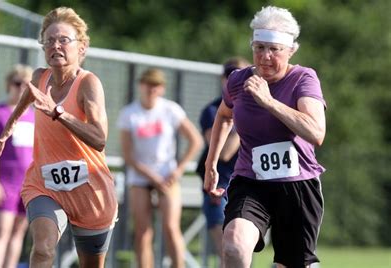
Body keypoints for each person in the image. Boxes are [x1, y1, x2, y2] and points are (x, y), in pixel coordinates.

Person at [0, 7, 118, 268]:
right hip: (45, 184)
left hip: (89, 188)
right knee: (42, 249)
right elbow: (29, 92)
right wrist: (10, 125)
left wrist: (58, 112)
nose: (55, 46)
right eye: (49, 41)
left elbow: (99, 138)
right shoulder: (41, 77)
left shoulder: (88, 84)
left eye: (63, 40)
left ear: (81, 47)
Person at [204, 6, 326, 268]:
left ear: (291, 50)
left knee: (291, 263)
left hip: (297, 184)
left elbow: (316, 133)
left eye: (274, 49)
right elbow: (225, 116)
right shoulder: (238, 80)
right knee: (234, 244)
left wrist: (269, 101)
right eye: (259, 47)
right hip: (251, 180)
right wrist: (211, 163)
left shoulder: (303, 79)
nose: (265, 57)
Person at [117, 68, 203, 268]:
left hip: (167, 176)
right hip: (140, 177)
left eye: (156, 85)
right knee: (142, 231)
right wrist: (151, 176)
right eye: (148, 84)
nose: (151, 89)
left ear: (162, 89)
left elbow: (195, 140)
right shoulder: (129, 114)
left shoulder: (170, 109)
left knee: (171, 227)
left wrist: (178, 170)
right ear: (141, 85)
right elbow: (128, 155)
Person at [195, 57, 250, 258]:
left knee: (243, 254)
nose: (235, 80)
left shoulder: (262, 106)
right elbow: (224, 152)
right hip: (220, 189)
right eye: (230, 75)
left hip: (250, 189)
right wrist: (242, 118)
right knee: (228, 252)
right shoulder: (213, 111)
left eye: (243, 75)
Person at [0, 64, 34, 267]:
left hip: (28, 183)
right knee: (1, 233)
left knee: (17, 234)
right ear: (9, 85)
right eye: (17, 83)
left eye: (27, 84)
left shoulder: (34, 115)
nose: (22, 88)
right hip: (6, 181)